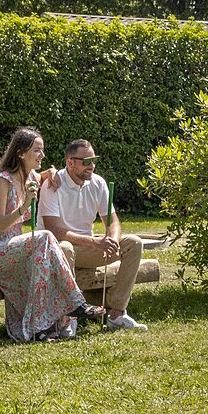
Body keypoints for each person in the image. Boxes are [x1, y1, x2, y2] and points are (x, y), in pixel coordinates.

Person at [0, 128, 106, 343]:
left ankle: (40, 329)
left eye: (42, 150)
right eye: (37, 150)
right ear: (21, 153)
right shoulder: (0, 181)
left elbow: (44, 175)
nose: (42, 155)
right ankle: (75, 303)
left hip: (12, 250)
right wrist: (24, 207)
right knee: (45, 237)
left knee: (41, 261)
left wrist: (51, 172)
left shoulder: (30, 177)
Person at [39, 139, 147, 332]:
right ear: (70, 162)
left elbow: (113, 221)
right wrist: (95, 242)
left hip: (87, 249)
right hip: (57, 250)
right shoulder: (53, 184)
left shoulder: (98, 182)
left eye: (94, 160)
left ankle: (116, 313)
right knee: (64, 247)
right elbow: (54, 230)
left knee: (134, 243)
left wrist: (112, 241)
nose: (92, 166)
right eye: (87, 161)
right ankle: (68, 318)